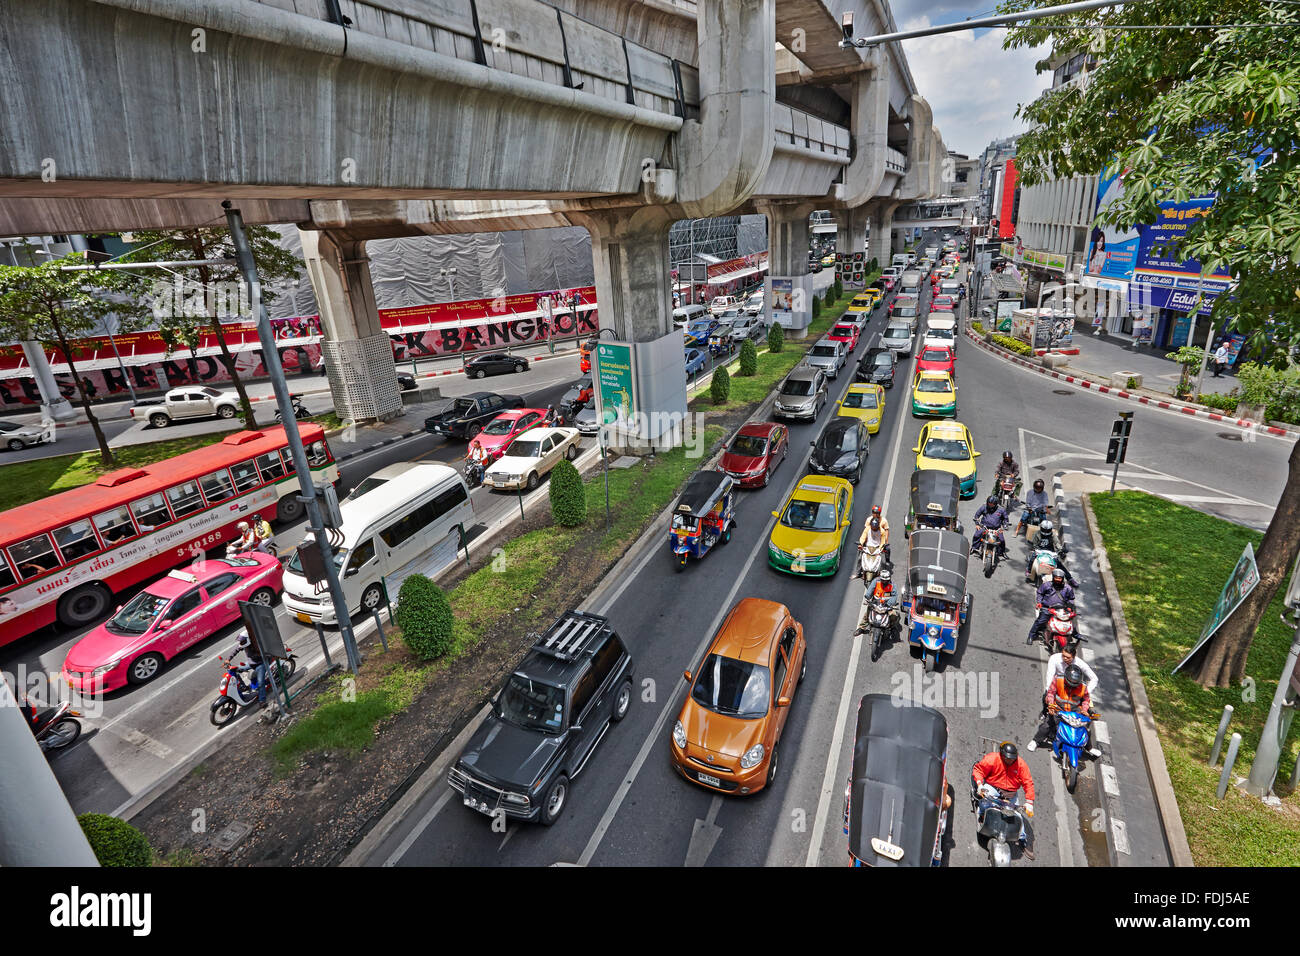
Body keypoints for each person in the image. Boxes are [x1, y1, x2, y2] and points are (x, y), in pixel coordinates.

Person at [972, 741, 1036, 860]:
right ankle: (982, 817)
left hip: (1011, 793)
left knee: (1017, 815)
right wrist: (980, 785)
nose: (1010, 761)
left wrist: (1029, 802)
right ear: (1002, 755)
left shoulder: (1021, 765)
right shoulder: (992, 759)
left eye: (1012, 759)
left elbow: (1028, 783)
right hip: (993, 787)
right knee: (984, 804)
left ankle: (1023, 839)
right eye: (1007, 758)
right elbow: (978, 770)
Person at [1029, 663, 1100, 757]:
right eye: (1070, 683)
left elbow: (1086, 700)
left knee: (1085, 730)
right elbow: (1050, 693)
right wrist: (1051, 705)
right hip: (1058, 709)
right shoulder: (1058, 680)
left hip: (1074, 713)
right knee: (1047, 725)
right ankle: (1036, 741)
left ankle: (1089, 748)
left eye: (1075, 684)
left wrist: (1084, 710)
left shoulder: (1083, 687)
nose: (1072, 686)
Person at [1028, 568, 1076, 645]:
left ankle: (1076, 634)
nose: (1057, 580)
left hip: (1061, 610)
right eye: (1056, 578)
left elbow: (1071, 598)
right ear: (1053, 577)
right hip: (1047, 608)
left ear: (1062, 579)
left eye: (1059, 578)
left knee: (1069, 623)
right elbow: (1040, 593)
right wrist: (1039, 602)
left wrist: (1069, 607)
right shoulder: (1046, 585)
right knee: (1040, 621)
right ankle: (1031, 635)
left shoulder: (1068, 588)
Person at [1025, 519, 1076, 585]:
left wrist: (1061, 549)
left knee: (1059, 564)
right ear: (1041, 528)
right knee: (1032, 559)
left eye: (1047, 530)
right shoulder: (1037, 533)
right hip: (1039, 551)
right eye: (1044, 529)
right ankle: (1029, 571)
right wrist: (1035, 548)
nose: (1046, 531)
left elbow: (1057, 543)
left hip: (1050, 552)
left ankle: (1070, 578)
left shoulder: (1053, 535)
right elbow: (1034, 544)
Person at [857, 567, 900, 633]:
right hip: (875, 603)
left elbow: (894, 596)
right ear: (880, 578)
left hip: (886, 605)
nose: (885, 582)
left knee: (894, 615)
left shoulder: (892, 586)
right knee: (867, 614)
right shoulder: (876, 582)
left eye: (886, 580)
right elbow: (870, 590)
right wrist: (867, 597)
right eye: (883, 580)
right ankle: (861, 628)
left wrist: (890, 604)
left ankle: (891, 627)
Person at [235, 631, 269, 708]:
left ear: (248, 639)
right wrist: (228, 659)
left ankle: (262, 701)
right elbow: (236, 650)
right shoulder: (244, 644)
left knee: (261, 683)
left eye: (243, 641)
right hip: (251, 663)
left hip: (260, 664)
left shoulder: (256, 645)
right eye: (241, 641)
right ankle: (244, 687)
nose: (241, 643)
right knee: (235, 670)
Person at [856, 506, 891, 570]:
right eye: (874, 512)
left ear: (879, 513)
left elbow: (886, 531)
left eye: (877, 513)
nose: (875, 514)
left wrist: (886, 541)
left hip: (880, 540)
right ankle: (858, 571)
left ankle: (887, 561)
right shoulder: (869, 520)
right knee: (860, 556)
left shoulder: (884, 521)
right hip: (869, 540)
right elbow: (866, 532)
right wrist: (862, 543)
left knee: (887, 549)